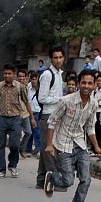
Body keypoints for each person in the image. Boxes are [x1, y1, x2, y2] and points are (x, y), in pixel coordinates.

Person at [43, 70, 101, 202]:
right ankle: (52, 178)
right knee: (67, 181)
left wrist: (96, 146)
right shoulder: (66, 100)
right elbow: (52, 121)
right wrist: (50, 145)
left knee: (86, 179)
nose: (86, 86)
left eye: (90, 83)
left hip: (80, 144)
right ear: (78, 84)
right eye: (83, 82)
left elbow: (90, 127)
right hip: (63, 144)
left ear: (94, 85)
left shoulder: (93, 104)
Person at [0, 64, 31, 178]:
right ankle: (1, 170)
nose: (7, 76)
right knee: (0, 145)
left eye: (9, 74)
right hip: (2, 118)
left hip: (15, 119)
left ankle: (12, 165)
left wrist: (31, 117)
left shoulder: (19, 87)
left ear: (14, 75)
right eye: (5, 74)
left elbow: (26, 101)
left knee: (14, 145)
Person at [35, 46, 65, 190]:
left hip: (56, 115)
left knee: (45, 147)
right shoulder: (47, 75)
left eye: (60, 57)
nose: (58, 60)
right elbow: (42, 98)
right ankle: (54, 180)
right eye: (55, 57)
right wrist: (60, 99)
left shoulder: (59, 74)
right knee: (49, 148)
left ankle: (41, 179)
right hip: (48, 115)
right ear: (51, 59)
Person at [15, 69, 36, 158]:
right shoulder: (14, 87)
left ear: (26, 77)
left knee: (28, 132)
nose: (21, 78)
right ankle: (16, 152)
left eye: (23, 76)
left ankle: (21, 148)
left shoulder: (27, 88)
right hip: (16, 114)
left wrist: (32, 117)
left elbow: (27, 103)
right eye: (20, 76)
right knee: (17, 134)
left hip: (25, 114)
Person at [26, 71, 41, 157]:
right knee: (30, 132)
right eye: (32, 79)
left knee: (37, 132)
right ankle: (28, 149)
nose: (34, 81)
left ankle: (38, 149)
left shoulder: (41, 88)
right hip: (30, 112)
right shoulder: (28, 88)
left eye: (35, 79)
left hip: (38, 112)